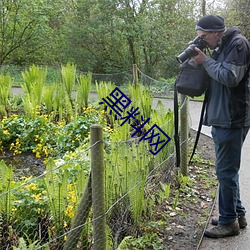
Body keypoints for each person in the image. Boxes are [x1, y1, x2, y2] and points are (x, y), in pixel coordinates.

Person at [192, 15, 250, 238]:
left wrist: (205, 61)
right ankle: (237, 214)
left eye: (204, 37)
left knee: (225, 171)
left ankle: (228, 223)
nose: (203, 41)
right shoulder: (221, 46)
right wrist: (202, 60)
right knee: (227, 171)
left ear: (216, 32)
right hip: (222, 117)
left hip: (232, 118)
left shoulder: (238, 44)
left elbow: (229, 77)